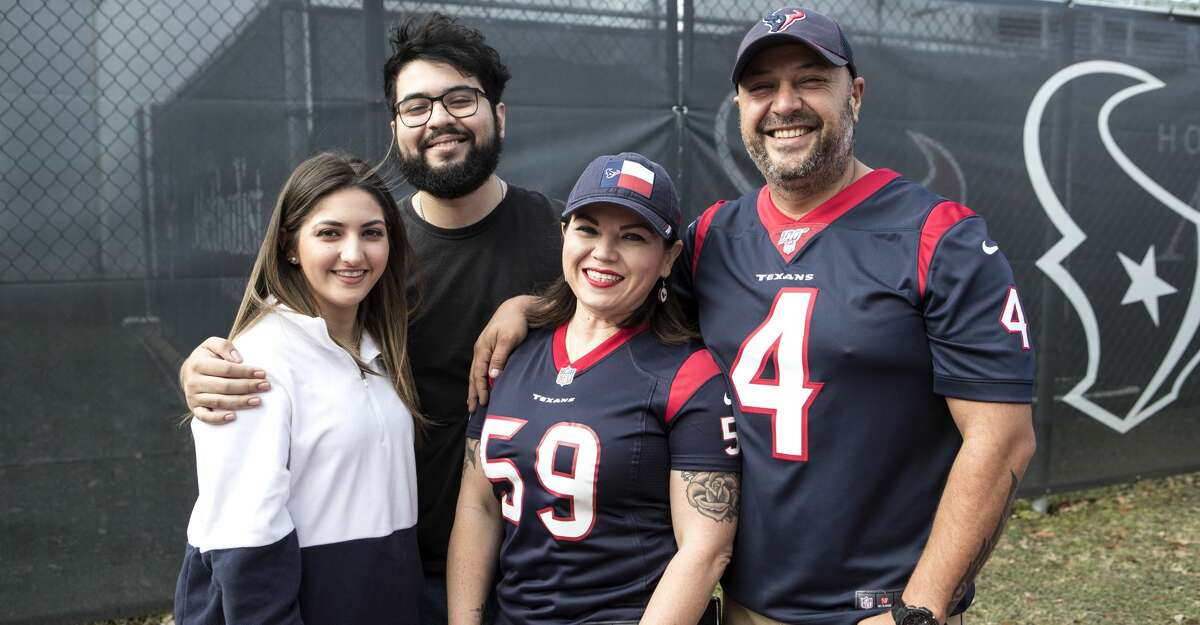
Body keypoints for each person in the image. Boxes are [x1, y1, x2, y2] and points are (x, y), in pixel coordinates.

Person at [469, 8, 1037, 625]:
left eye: (811, 80)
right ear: (739, 106)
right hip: (741, 603)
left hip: (880, 608)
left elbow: (1001, 438)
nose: (784, 104)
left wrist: (919, 609)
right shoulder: (713, 236)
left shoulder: (938, 236)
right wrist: (529, 308)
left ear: (857, 96)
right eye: (761, 87)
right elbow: (620, 293)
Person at [176, 15, 562, 623]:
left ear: (499, 115)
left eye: (461, 99)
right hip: (405, 572)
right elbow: (288, 361)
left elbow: (648, 309)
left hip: (543, 567)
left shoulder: (568, 241)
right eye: (416, 107)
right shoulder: (372, 259)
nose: (439, 119)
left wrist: (534, 305)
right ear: (397, 127)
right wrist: (205, 371)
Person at [447, 152, 739, 625]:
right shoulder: (511, 351)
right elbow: (479, 505)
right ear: (563, 235)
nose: (604, 252)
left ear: (669, 259)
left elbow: (706, 552)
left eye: (633, 237)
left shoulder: (689, 375)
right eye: (588, 229)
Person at [174, 152, 423, 624]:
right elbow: (243, 543)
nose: (354, 253)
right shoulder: (254, 364)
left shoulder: (378, 346)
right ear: (290, 246)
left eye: (372, 233)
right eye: (330, 233)